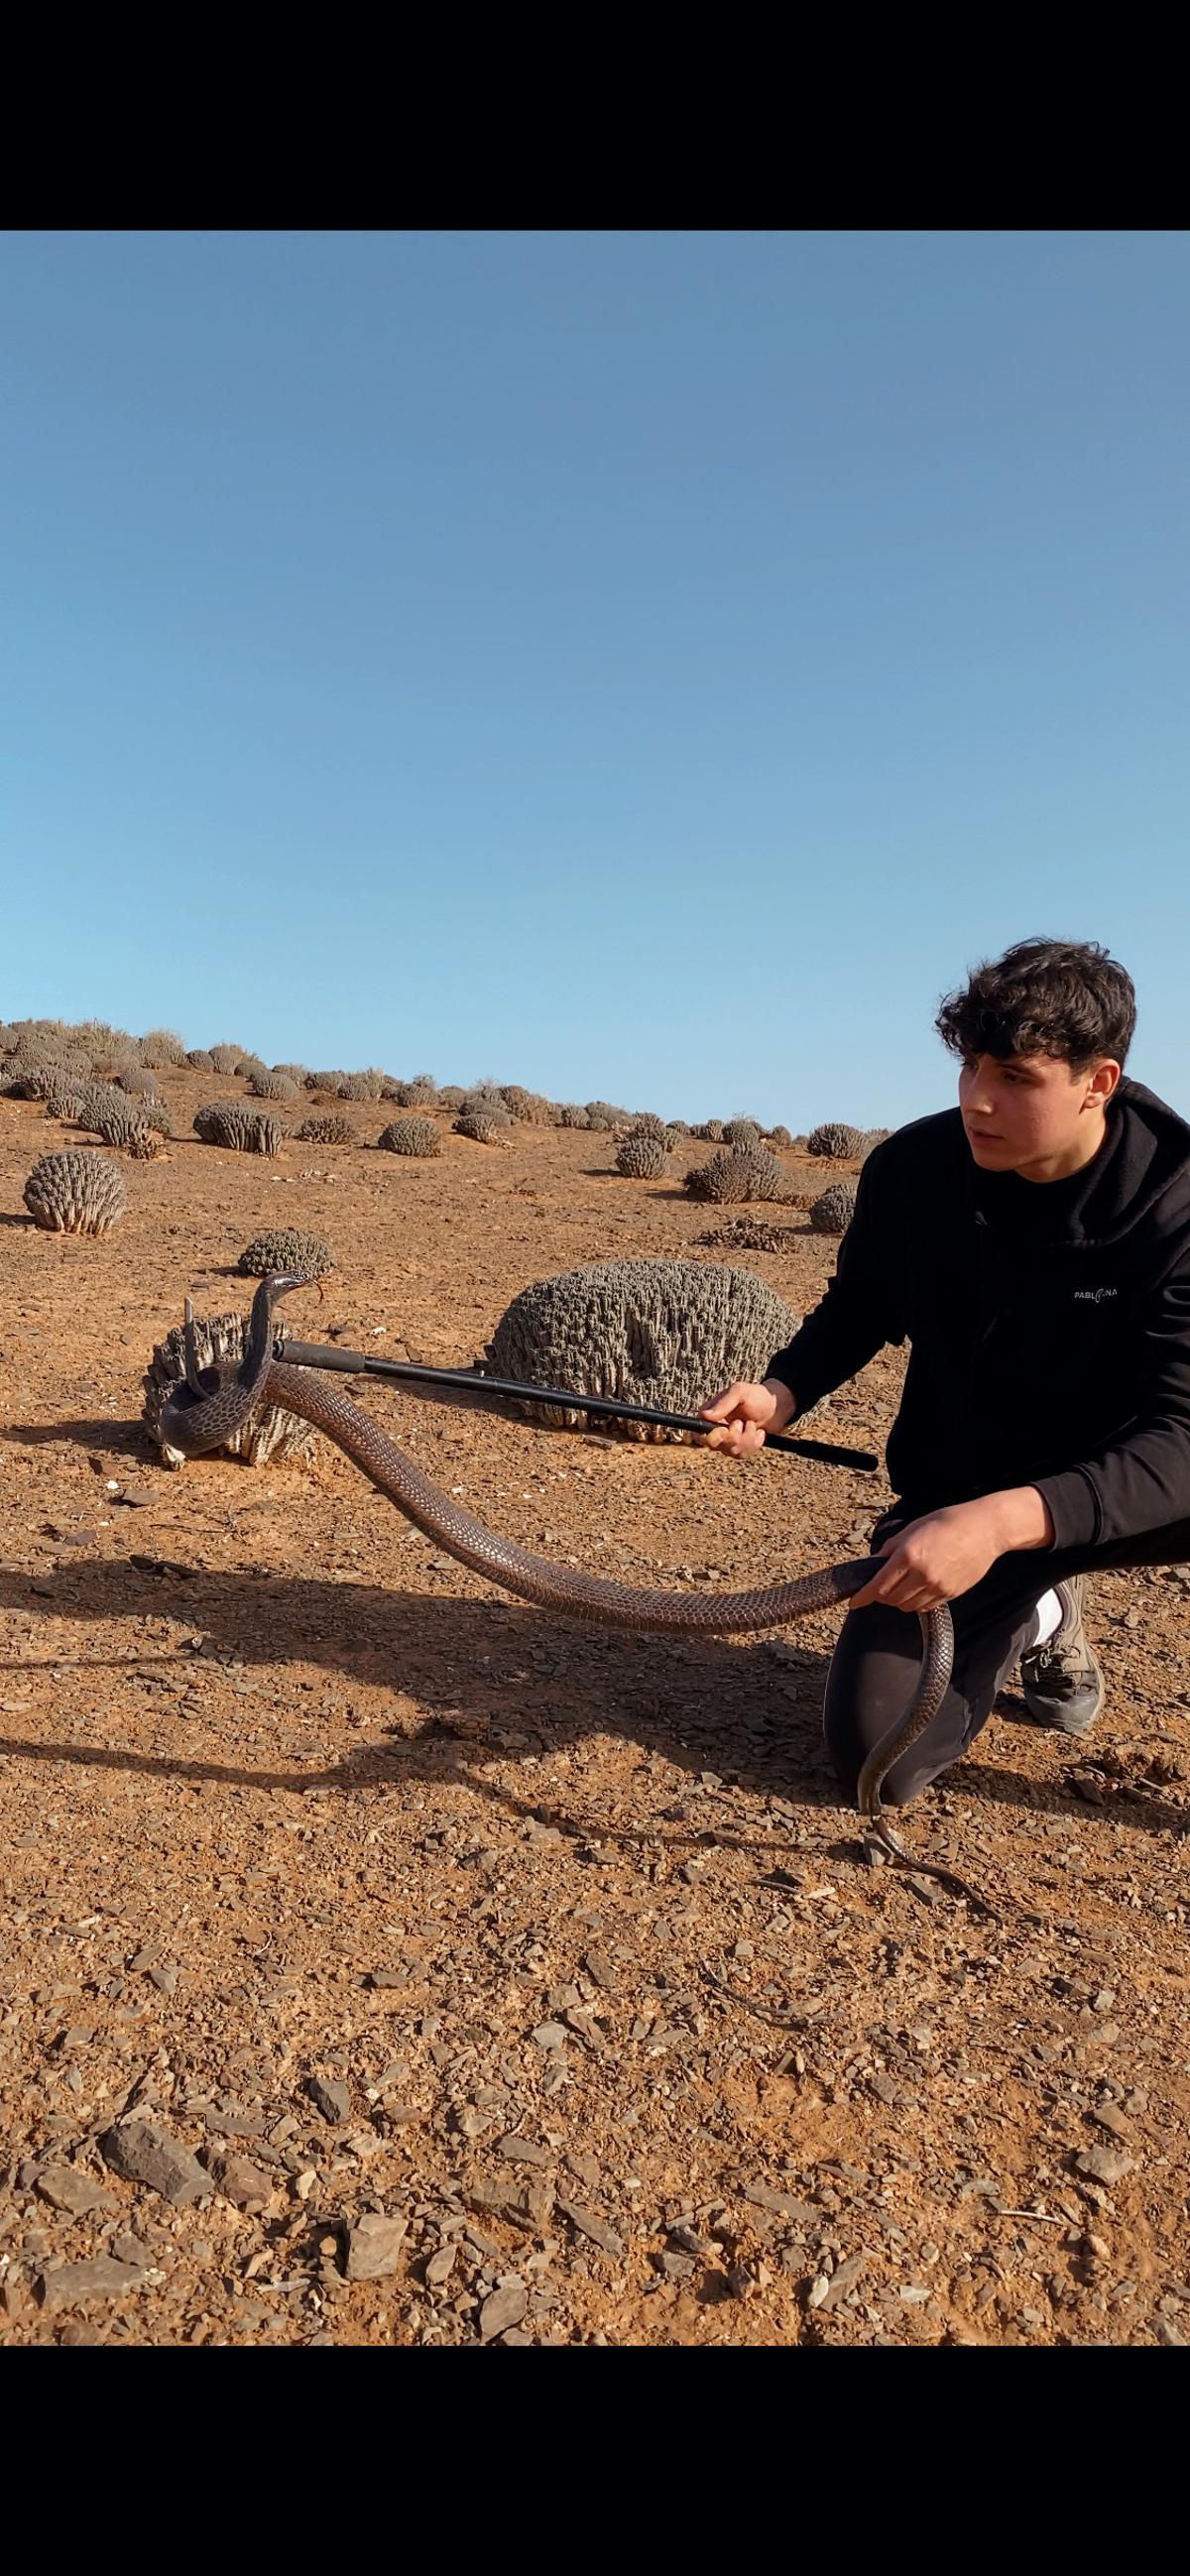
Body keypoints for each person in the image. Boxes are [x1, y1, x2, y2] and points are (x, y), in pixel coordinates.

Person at [700, 937, 1190, 1806]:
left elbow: (1183, 1436)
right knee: (874, 1760)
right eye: (969, 1069)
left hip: (1138, 1483)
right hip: (971, 1488)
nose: (979, 1101)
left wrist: (1007, 1524)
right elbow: (861, 1306)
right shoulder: (914, 1170)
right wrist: (780, 1392)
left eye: (1015, 1078)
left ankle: (1028, 1560)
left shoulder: (1178, 1205)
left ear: (1098, 1082)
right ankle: (1038, 1611)